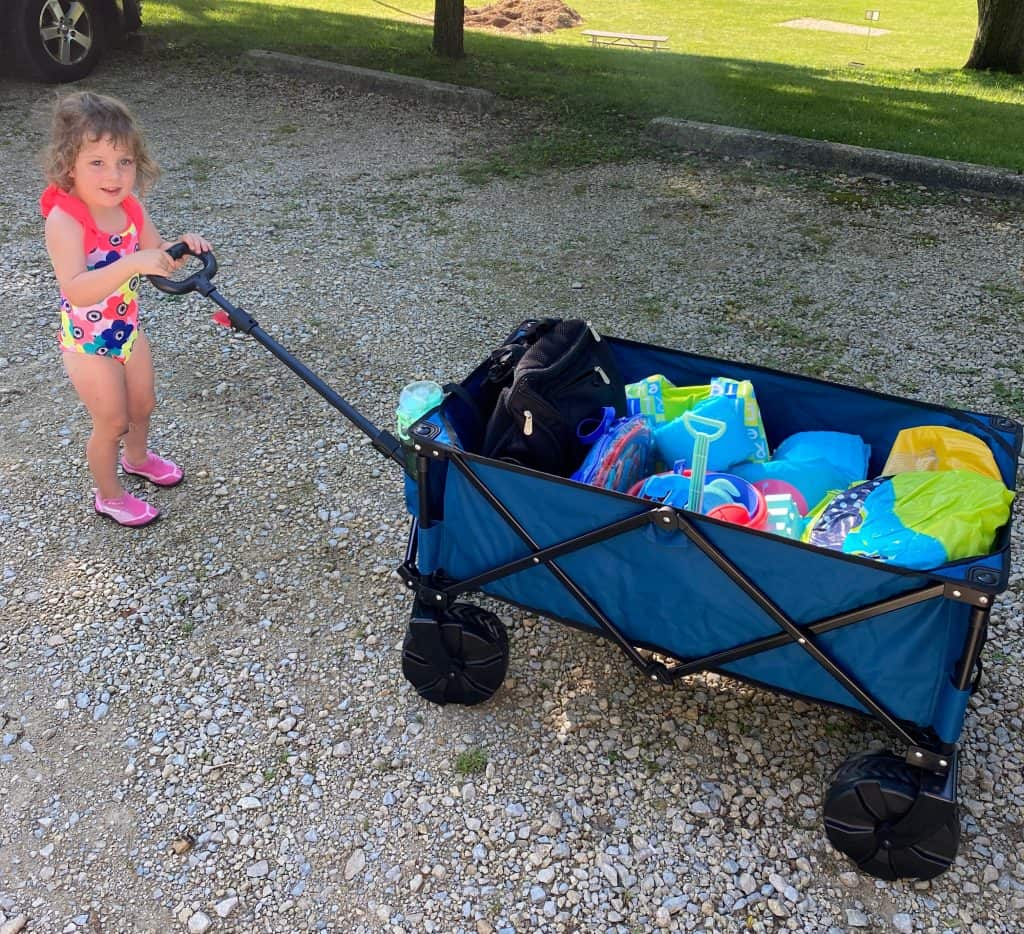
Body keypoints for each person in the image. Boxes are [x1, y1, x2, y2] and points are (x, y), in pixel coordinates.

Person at [40, 92, 211, 527]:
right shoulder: (66, 221)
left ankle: (137, 459)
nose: (114, 175)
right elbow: (76, 290)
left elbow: (155, 253)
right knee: (112, 421)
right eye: (97, 162)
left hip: (128, 330)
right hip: (87, 343)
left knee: (143, 404)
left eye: (125, 161)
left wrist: (182, 247)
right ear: (68, 165)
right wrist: (130, 263)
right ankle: (109, 495)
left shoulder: (131, 207)